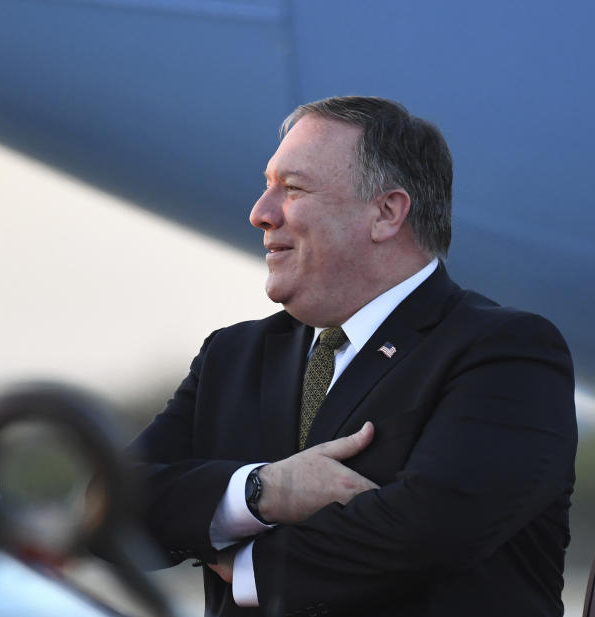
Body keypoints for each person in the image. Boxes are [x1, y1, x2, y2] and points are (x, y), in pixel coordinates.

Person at [129, 96, 577, 616]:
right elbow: (113, 505)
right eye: (267, 186)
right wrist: (262, 490)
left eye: (292, 189)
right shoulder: (232, 355)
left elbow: (431, 530)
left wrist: (249, 568)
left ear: (386, 213)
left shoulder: (506, 351)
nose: (260, 213)